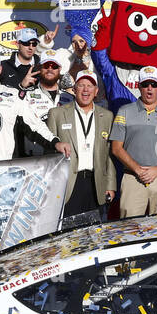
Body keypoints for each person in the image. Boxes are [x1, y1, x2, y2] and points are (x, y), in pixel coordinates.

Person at [110, 66, 157, 217]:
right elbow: (116, 148)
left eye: (154, 84)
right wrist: (138, 170)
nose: (149, 89)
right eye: (145, 84)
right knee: (130, 229)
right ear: (139, 86)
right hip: (132, 178)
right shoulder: (124, 111)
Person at [47, 71, 115, 223]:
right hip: (68, 183)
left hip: (95, 183)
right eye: (82, 85)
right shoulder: (57, 114)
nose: (86, 90)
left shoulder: (107, 116)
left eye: (90, 86)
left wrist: (110, 184)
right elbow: (48, 154)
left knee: (94, 233)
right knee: (67, 234)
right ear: (74, 89)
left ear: (96, 91)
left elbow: (108, 155)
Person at [0, 25, 44, 91]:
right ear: (18, 44)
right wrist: (21, 86)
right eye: (26, 43)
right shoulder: (3, 66)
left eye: (34, 44)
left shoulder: (42, 67)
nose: (30, 47)